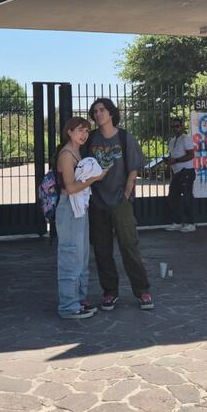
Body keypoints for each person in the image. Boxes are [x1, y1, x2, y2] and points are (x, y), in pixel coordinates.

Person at [86, 98, 154, 311]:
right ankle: (110, 292)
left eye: (102, 110)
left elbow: (134, 168)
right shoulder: (90, 140)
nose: (98, 114)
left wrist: (126, 192)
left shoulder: (125, 137)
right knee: (102, 249)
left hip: (120, 201)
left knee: (129, 246)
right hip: (97, 202)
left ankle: (142, 290)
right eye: (95, 111)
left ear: (112, 113)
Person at [54, 116, 109, 319]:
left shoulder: (77, 151)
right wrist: (96, 178)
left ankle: (79, 298)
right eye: (79, 130)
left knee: (82, 254)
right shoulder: (67, 154)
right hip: (69, 207)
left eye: (86, 131)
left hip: (79, 206)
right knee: (71, 254)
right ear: (69, 132)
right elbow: (70, 188)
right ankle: (68, 305)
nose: (84, 135)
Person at [165, 116, 197, 233]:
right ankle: (178, 222)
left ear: (182, 127)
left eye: (177, 126)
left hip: (186, 171)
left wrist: (176, 160)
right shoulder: (172, 140)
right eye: (173, 126)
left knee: (187, 197)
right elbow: (175, 156)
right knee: (173, 197)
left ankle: (190, 223)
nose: (175, 128)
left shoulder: (186, 139)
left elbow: (191, 155)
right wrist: (170, 161)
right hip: (177, 172)